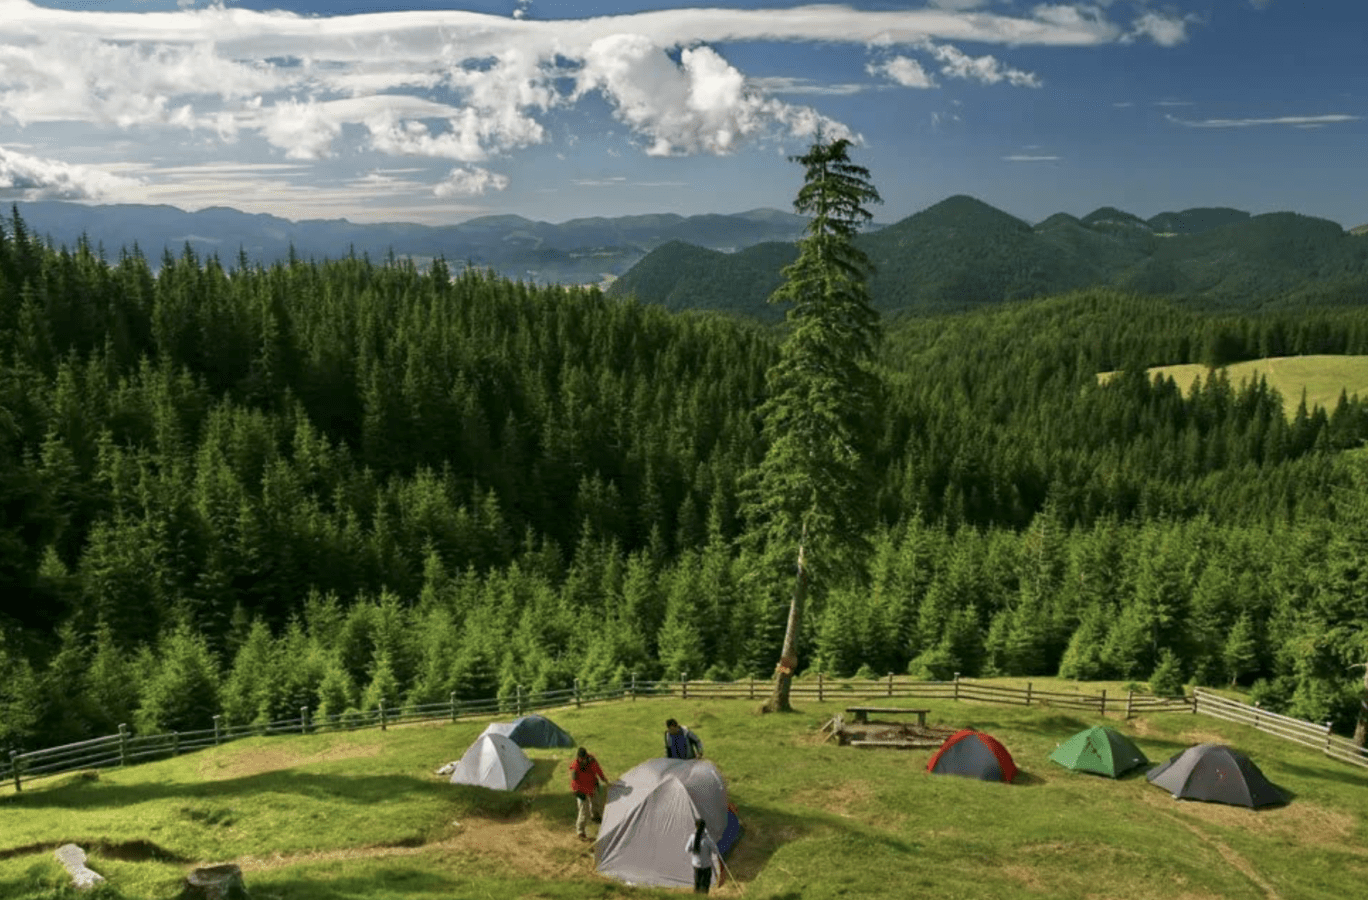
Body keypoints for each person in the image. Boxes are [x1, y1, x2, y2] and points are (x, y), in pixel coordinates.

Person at [569, 746, 609, 840]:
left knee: (596, 802)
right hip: (581, 790)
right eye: (580, 758)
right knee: (583, 811)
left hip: (591, 786)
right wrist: (577, 792)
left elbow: (598, 770)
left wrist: (604, 779)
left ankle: (596, 816)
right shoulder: (575, 766)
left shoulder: (591, 761)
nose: (581, 760)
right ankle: (580, 831)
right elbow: (574, 782)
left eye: (583, 758)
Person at [684, 818, 720, 894]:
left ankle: (696, 897)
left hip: (696, 865)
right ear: (704, 827)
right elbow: (716, 851)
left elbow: (687, 849)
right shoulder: (707, 839)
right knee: (705, 885)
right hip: (706, 866)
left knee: (697, 884)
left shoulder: (692, 837)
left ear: (696, 826)